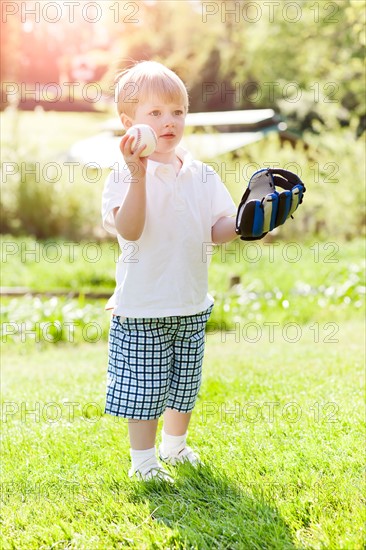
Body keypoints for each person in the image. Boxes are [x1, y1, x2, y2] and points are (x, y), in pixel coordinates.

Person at [101, 60, 238, 481]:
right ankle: (143, 462)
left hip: (190, 301)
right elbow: (130, 228)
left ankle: (175, 448)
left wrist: (252, 221)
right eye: (155, 114)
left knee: (184, 385)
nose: (169, 122)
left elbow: (218, 229)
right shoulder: (124, 175)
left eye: (177, 111)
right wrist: (138, 175)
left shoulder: (201, 173)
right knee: (143, 390)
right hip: (144, 305)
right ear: (130, 124)